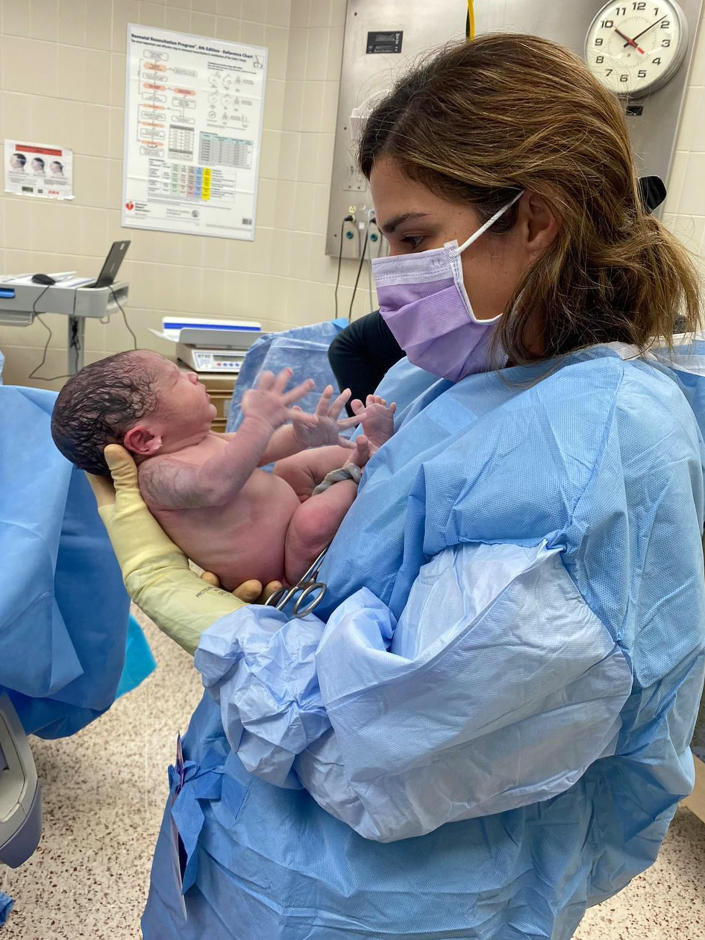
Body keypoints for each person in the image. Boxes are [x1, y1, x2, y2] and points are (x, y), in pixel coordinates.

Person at [87, 34, 705, 940]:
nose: (393, 275)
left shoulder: (595, 451)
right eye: (386, 241)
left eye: (414, 239)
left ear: (535, 219)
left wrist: (194, 610)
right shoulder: (452, 372)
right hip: (257, 830)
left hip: (380, 896)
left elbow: (382, 740)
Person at [51, 350, 395, 590]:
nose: (193, 375)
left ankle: (368, 448)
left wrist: (305, 434)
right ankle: (362, 469)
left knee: (293, 465)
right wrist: (258, 422)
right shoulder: (158, 477)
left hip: (296, 512)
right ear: (146, 439)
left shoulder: (203, 440)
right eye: (177, 379)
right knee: (312, 522)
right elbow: (216, 484)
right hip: (291, 566)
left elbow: (265, 449)